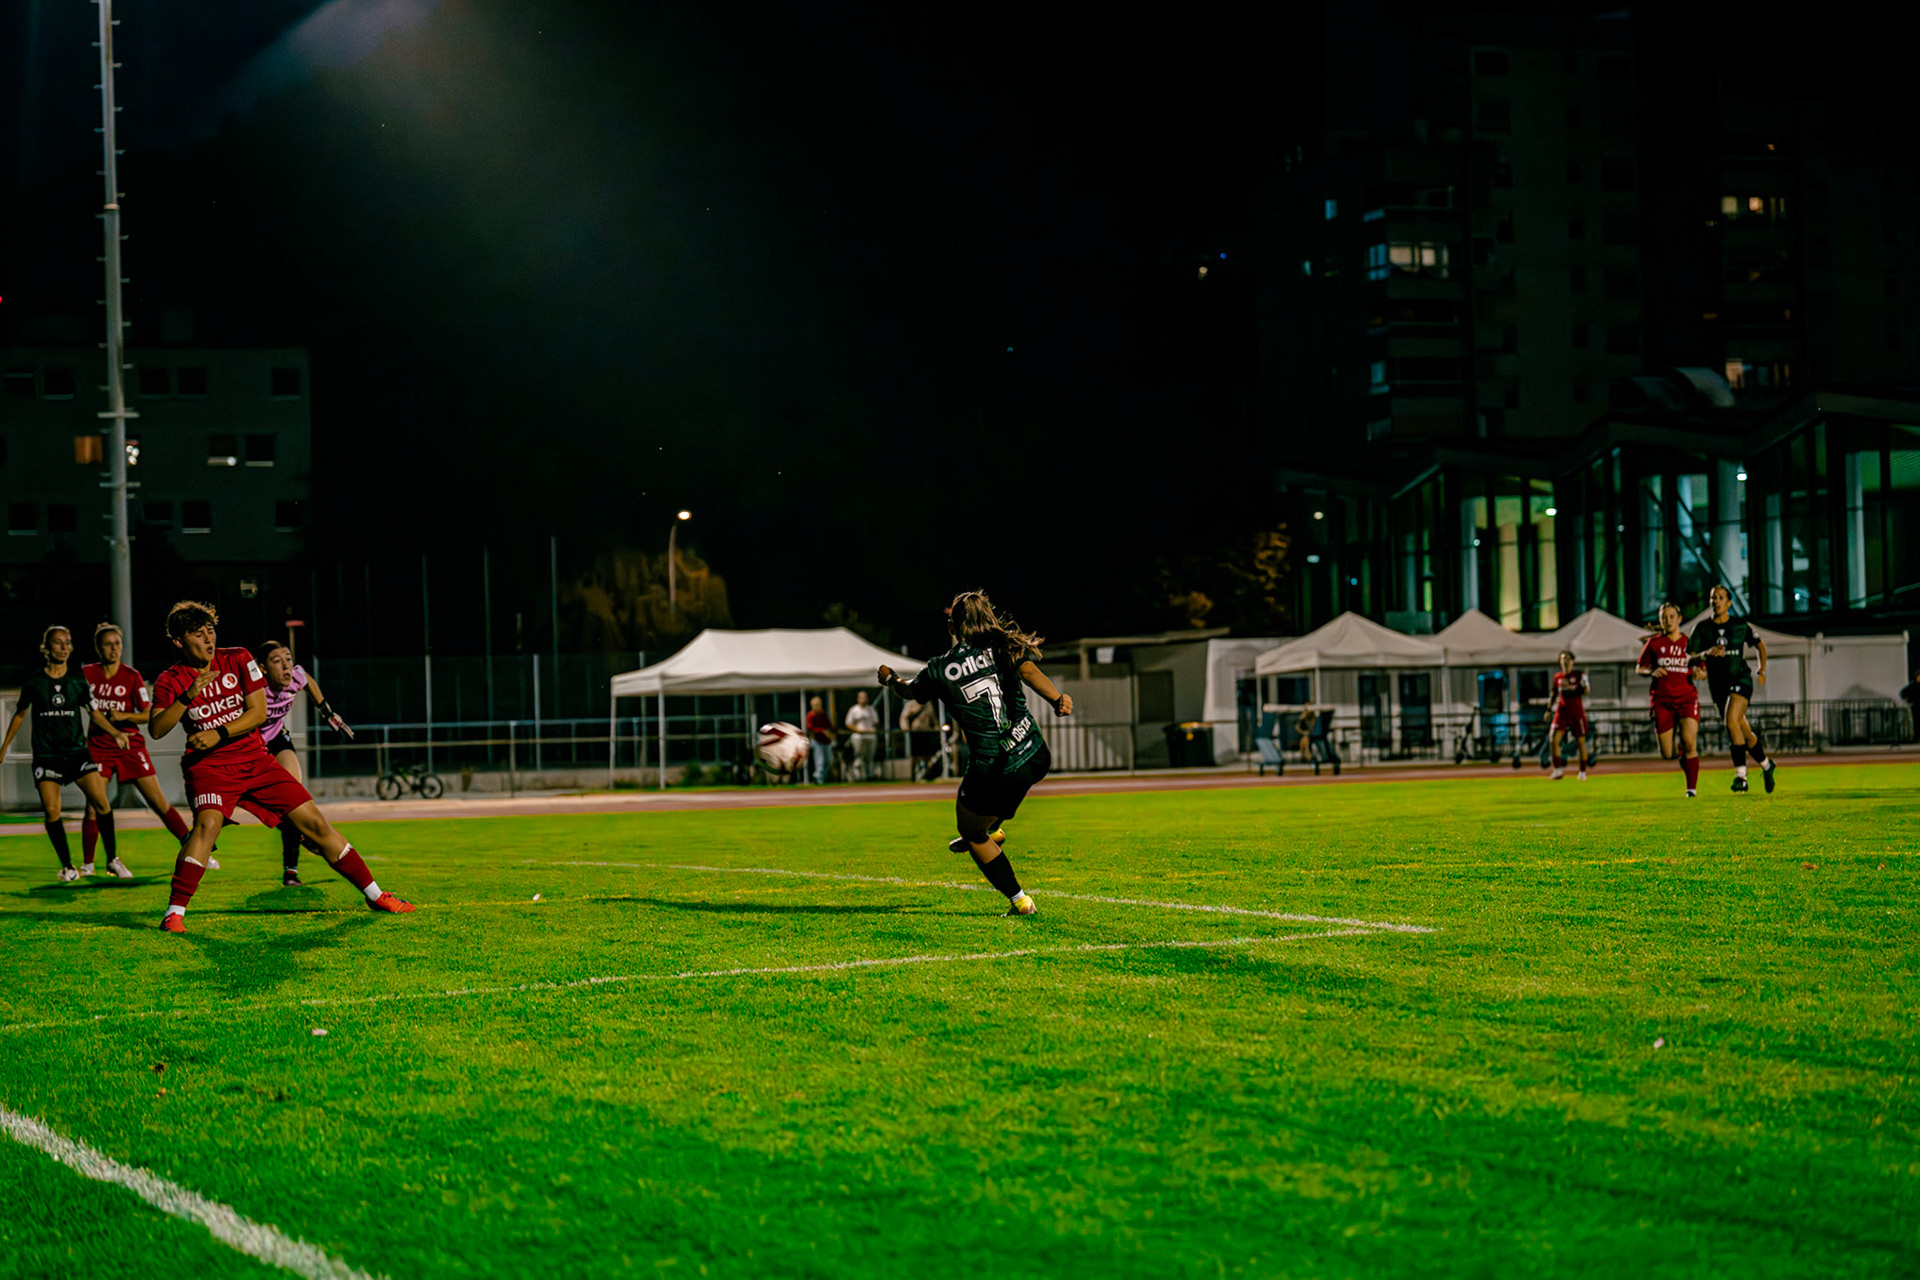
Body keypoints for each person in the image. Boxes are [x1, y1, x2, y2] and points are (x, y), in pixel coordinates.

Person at [147, 600, 414, 933]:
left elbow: (258, 713)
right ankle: (174, 914)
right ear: (178, 642)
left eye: (210, 631)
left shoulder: (238, 658)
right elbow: (156, 729)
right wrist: (186, 697)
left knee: (315, 822)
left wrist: (219, 733)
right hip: (210, 767)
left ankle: (375, 895)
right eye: (198, 635)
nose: (207, 640)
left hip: (256, 759)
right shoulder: (170, 679)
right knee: (207, 827)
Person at [877, 590, 1073, 917]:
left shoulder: (940, 668)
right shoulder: (1003, 646)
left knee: (970, 832)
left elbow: (909, 690)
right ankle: (994, 827)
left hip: (993, 766)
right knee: (1004, 796)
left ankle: (1020, 900)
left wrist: (890, 679)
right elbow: (1028, 671)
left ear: (953, 624)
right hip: (1035, 752)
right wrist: (1056, 699)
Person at [0, 626, 132, 881]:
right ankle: (67, 866)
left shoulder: (77, 681)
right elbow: (19, 714)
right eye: (58, 643)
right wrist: (4, 747)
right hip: (47, 756)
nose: (64, 647)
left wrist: (115, 733)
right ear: (46, 648)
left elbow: (93, 713)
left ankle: (113, 859)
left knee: (102, 803)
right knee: (52, 811)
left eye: (67, 643)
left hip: (77, 753)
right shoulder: (34, 682)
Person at [80, 622, 197, 871]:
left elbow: (149, 715)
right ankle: (87, 865)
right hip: (99, 746)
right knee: (94, 806)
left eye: (117, 644)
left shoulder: (132, 676)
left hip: (130, 746)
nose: (114, 649)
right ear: (98, 648)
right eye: (108, 644)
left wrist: (123, 717)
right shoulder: (88, 674)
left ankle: (194, 849)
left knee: (158, 802)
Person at [258, 640, 357, 886]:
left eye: (288, 659)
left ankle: (290, 871)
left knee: (294, 797)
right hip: (250, 747)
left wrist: (326, 712)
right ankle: (299, 833)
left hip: (277, 740)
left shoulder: (295, 678)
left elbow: (308, 680)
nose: (286, 667)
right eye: (277, 661)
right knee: (271, 810)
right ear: (262, 669)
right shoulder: (253, 687)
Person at [1689, 585, 1776, 794]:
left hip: (1741, 680)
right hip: (1718, 687)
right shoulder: (1702, 629)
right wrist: (1704, 658)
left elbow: (1760, 645)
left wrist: (1761, 669)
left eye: (1720, 598)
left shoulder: (1739, 625)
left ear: (1729, 603)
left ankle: (1741, 777)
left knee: (1731, 722)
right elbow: (1689, 657)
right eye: (1713, 598)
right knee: (1742, 730)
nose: (1715, 601)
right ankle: (1766, 764)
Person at [1636, 602, 1707, 797]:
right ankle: (1684, 756)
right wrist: (1651, 670)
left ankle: (1691, 789)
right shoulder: (1654, 643)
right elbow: (1639, 667)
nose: (1668, 620)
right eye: (1664, 617)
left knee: (1689, 742)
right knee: (1667, 754)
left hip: (1686, 698)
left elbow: (1702, 669)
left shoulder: (1689, 643)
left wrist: (1700, 674)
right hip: (1662, 700)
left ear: (1679, 619)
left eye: (1671, 616)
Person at [1547, 649, 1591, 781]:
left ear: (1572, 661)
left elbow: (1586, 691)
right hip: (1561, 711)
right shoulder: (1557, 677)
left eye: (1567, 658)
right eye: (1562, 658)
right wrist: (1548, 710)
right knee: (1553, 739)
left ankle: (1582, 771)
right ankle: (1557, 770)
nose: (1565, 661)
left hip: (1576, 711)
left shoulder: (1579, 674)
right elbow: (1553, 694)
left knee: (1580, 742)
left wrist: (1585, 684)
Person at [844, 690, 879, 781]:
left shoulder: (871, 709)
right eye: (861, 698)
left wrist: (873, 728)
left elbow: (876, 722)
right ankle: (858, 775)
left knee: (870, 756)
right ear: (858, 699)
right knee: (859, 756)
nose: (863, 700)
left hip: (870, 736)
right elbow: (848, 723)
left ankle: (869, 774)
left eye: (865, 697)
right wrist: (858, 729)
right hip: (858, 736)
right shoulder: (854, 710)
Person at [902, 697, 939, 780]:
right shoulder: (911, 704)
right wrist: (906, 728)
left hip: (926, 731)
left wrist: (936, 727)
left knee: (927, 754)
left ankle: (927, 773)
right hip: (915, 731)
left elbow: (932, 717)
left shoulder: (928, 704)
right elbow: (904, 717)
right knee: (914, 754)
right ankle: (912, 775)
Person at [805, 696, 835, 784]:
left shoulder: (823, 714)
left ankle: (822, 777)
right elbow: (810, 727)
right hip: (817, 741)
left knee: (828, 761)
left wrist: (833, 731)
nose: (817, 706)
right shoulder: (810, 715)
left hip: (826, 741)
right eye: (815, 705)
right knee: (820, 761)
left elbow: (829, 725)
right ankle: (818, 777)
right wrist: (822, 731)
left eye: (819, 704)